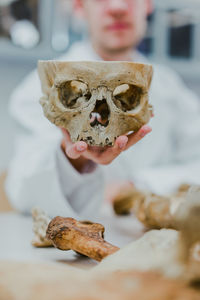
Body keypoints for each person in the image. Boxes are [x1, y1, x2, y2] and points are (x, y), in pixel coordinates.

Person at [5, 0, 200, 219]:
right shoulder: (38, 89)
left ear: (147, 4)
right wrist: (73, 160)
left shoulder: (171, 90)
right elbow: (23, 191)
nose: (117, 6)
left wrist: (134, 186)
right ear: (79, 6)